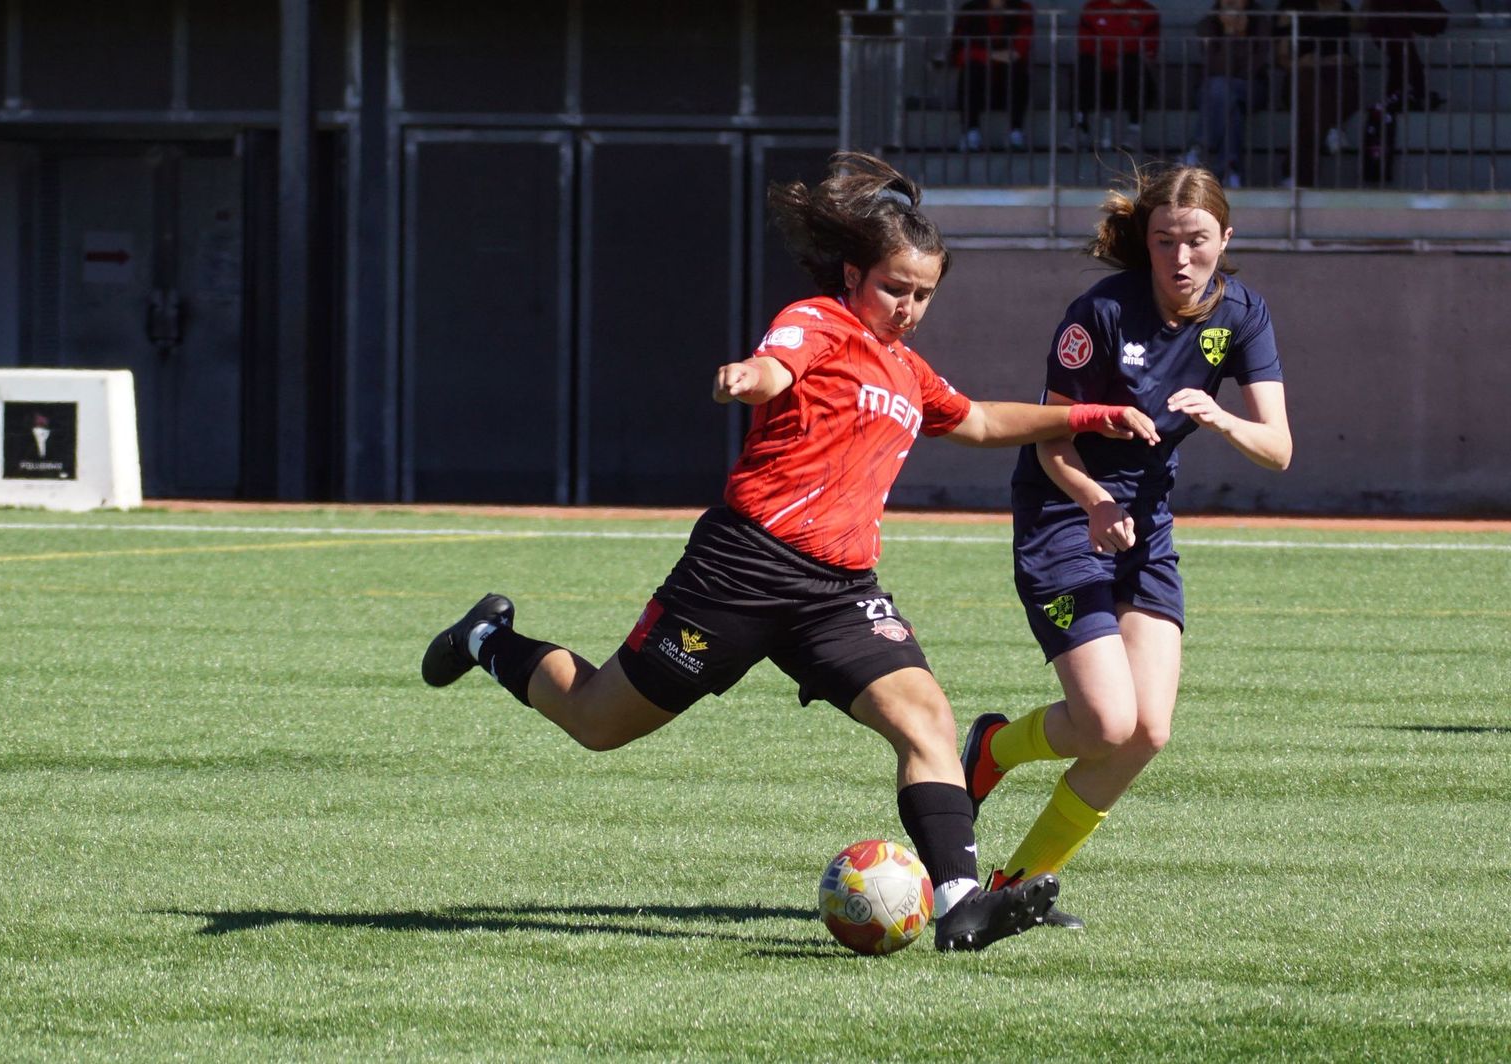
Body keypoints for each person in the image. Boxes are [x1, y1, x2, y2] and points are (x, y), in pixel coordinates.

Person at [420, 152, 1158, 953]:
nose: (908, 307)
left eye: (923, 294)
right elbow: (781, 363)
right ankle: (488, 638)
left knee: (927, 720)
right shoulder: (820, 320)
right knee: (597, 722)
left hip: (838, 591)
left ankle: (958, 906)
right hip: (739, 573)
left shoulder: (908, 371)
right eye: (894, 289)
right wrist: (752, 376)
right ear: (854, 275)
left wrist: (1084, 418)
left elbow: (977, 420)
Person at [960, 163, 1292, 929]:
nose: (1181, 258)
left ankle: (1015, 889)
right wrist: (1097, 499)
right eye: (1165, 240)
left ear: (1225, 239)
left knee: (1147, 733)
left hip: (1146, 526)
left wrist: (1220, 418)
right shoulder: (1100, 314)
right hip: (1062, 511)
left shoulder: (1243, 314)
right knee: (1108, 722)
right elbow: (1048, 442)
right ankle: (993, 751)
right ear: (1145, 242)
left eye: (1197, 241)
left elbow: (1277, 449)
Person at [1183, 0, 1275, 188]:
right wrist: (1228, 33)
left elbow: (1249, 70)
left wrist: (1240, 35)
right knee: (1229, 106)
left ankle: (1200, 147)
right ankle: (1229, 170)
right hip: (1212, 91)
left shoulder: (1261, 23)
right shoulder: (1208, 24)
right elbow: (1215, 68)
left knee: (1222, 89)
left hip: (1251, 88)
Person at [1274, 0, 1361, 186]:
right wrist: (1303, 62)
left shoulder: (1344, 8)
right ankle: (1330, 126)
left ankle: (1294, 176)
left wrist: (1338, 60)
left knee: (1314, 111)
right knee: (1309, 95)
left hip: (1338, 78)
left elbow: (1365, 25)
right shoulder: (1291, 9)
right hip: (1305, 78)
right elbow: (1282, 57)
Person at [1073, 0, 1162, 151]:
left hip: (1129, 78)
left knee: (1134, 65)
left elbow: (1149, 49)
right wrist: (1113, 58)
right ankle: (1079, 128)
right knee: (1084, 66)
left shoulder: (1146, 10)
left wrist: (1123, 57)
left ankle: (1135, 130)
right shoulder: (1093, 8)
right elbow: (1087, 46)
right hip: (1101, 76)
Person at [949, 0, 1036, 151]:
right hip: (980, 84)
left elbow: (1018, 52)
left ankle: (1016, 133)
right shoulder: (969, 10)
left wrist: (980, 55)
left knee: (1017, 71)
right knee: (971, 70)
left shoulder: (1022, 9)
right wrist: (993, 55)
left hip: (1007, 84)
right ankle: (971, 132)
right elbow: (959, 54)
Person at [1363, 0, 1449, 111]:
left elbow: (1403, 42)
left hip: (1417, 19)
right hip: (1394, 23)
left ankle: (1402, 95)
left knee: (1400, 50)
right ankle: (1401, 95)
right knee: (1399, 52)